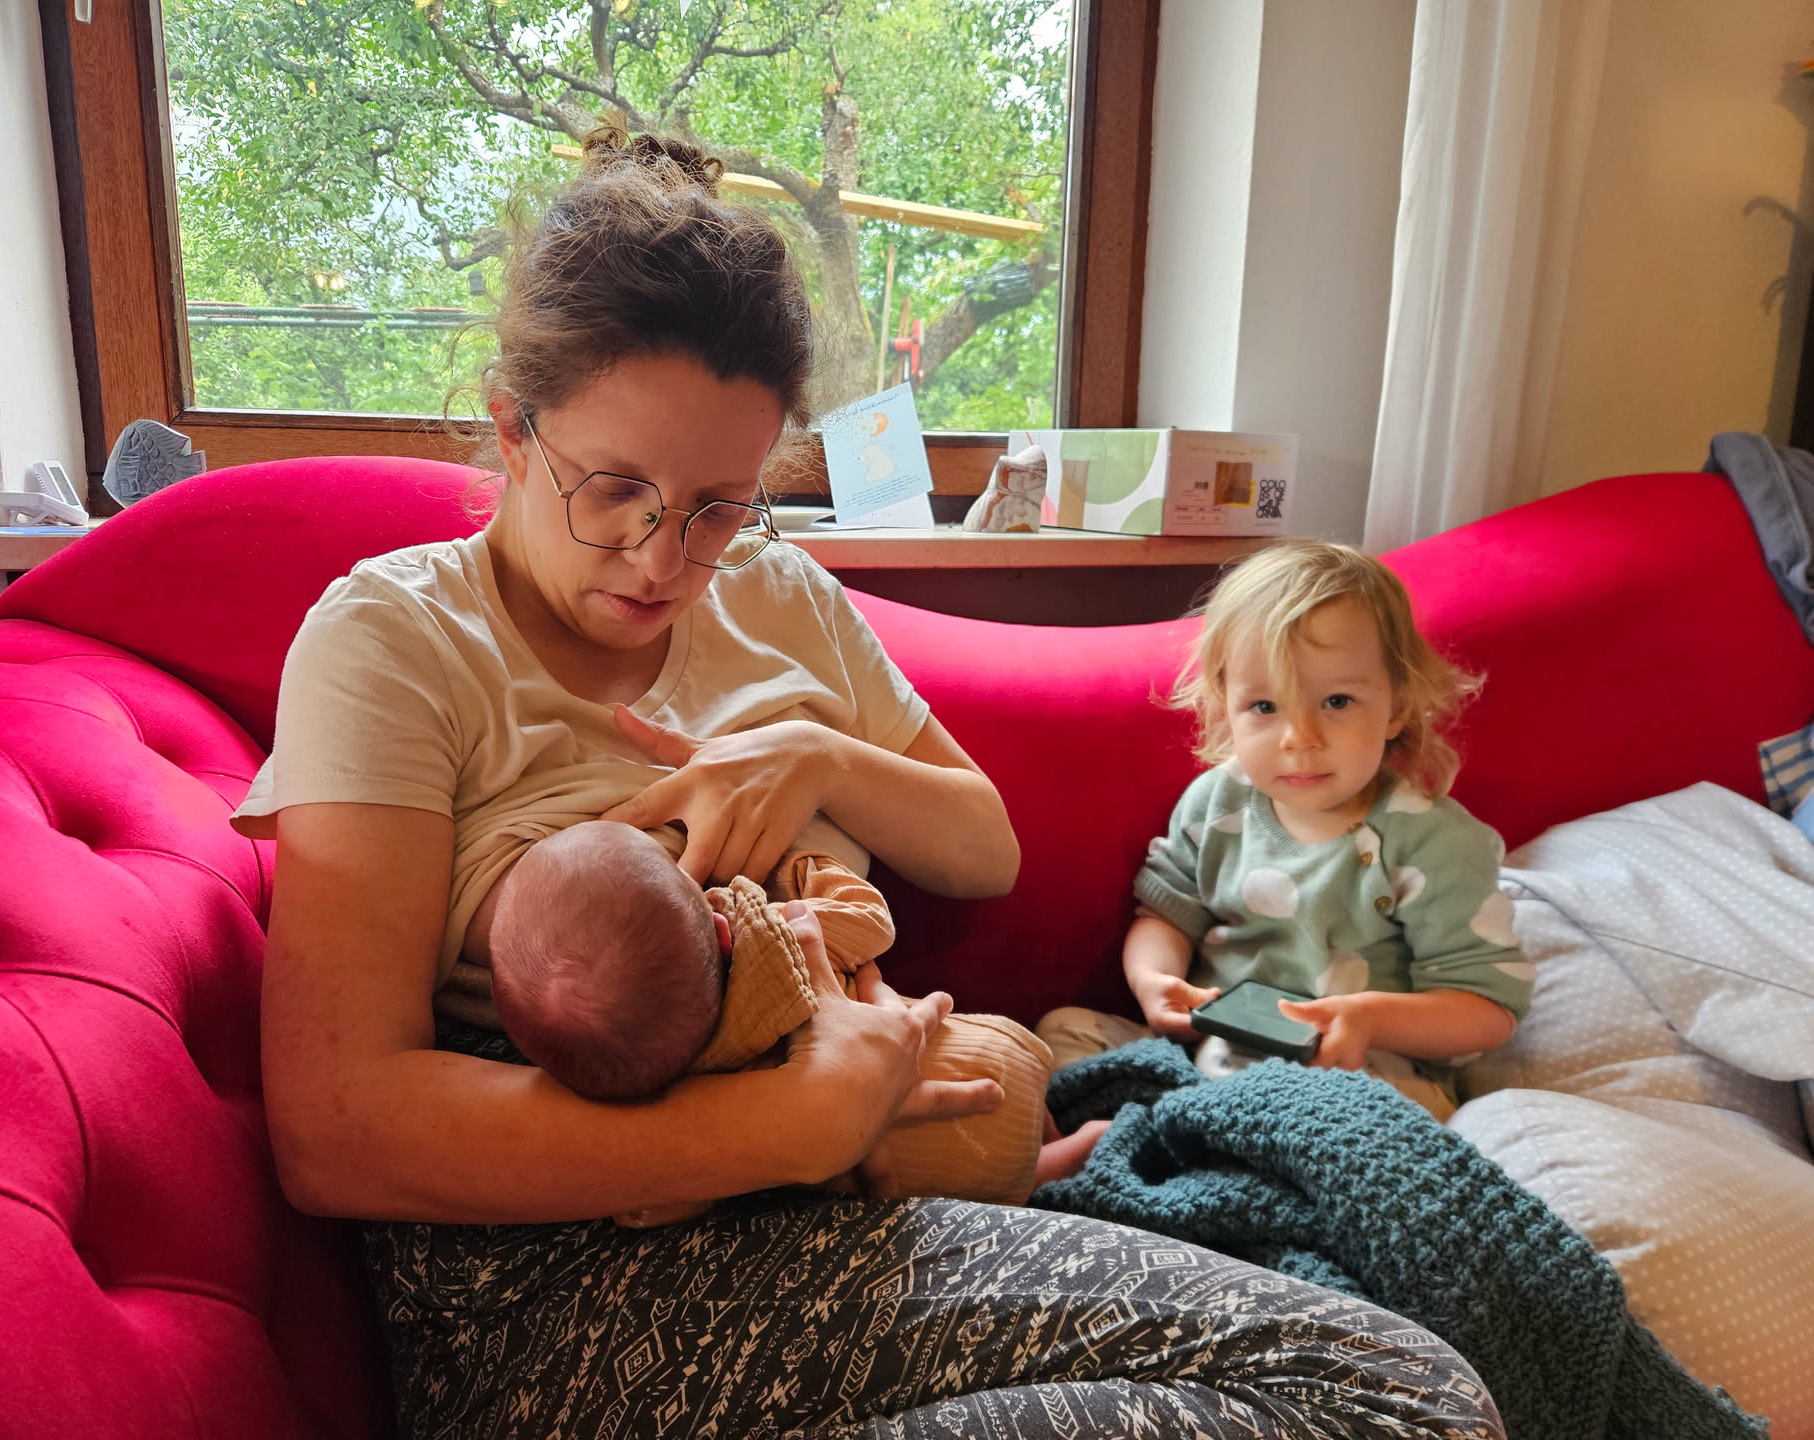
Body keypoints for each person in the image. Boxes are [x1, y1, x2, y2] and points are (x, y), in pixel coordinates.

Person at [238, 128, 1506, 1438]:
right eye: (613, 490)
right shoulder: (398, 640)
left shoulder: (774, 596)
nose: (663, 557)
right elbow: (335, 1125)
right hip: (561, 1281)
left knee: (1406, 1368)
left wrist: (817, 757)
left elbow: (983, 847)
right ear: (513, 428)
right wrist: (785, 1128)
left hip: (842, 1201)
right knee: (1398, 1400)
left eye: (719, 505)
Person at [1039, 540, 1531, 1120]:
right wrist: (1155, 980)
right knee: (1060, 1035)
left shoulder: (1436, 844)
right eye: (1266, 707)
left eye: (1337, 701)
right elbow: (1166, 914)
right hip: (1207, 1051)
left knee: (1366, 1118)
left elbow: (1489, 1009)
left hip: (1357, 1073)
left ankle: (1191, 1135)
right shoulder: (1217, 801)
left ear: (1397, 707)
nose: (1300, 738)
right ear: (1225, 706)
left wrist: (1369, 1019)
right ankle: (1180, 1128)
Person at [484, 819, 1083, 1216]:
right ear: (720, 930)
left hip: (934, 1179)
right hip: (984, 1070)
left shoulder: (682, 1110)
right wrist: (801, 867)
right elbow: (870, 920)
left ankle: (1063, 1158)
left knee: (1032, 1172)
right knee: (1057, 1124)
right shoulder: (779, 942)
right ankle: (1088, 1140)